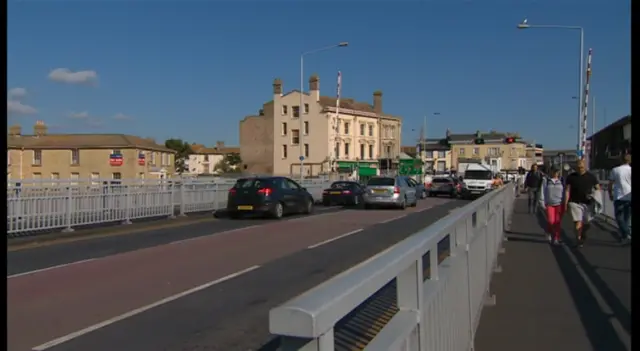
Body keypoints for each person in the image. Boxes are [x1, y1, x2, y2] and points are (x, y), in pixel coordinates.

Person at [564, 159, 600, 247]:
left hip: (587, 203)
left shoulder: (591, 177)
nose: (580, 169)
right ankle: (578, 239)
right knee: (577, 222)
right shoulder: (571, 177)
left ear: (585, 167)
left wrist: (594, 196)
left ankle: (583, 232)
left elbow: (598, 188)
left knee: (587, 223)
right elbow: (567, 190)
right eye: (579, 167)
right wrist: (565, 203)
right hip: (574, 202)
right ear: (576, 167)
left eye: (582, 167)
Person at [609, 154, 632, 243]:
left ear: (621, 160)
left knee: (618, 217)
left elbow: (610, 183)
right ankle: (625, 235)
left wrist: (610, 193)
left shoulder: (615, 170)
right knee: (627, 217)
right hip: (629, 197)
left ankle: (626, 233)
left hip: (618, 196)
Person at [539, 168, 564, 245]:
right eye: (554, 171)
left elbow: (566, 191)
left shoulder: (562, 180)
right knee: (551, 221)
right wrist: (542, 202)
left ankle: (556, 238)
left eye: (557, 172)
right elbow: (542, 191)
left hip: (559, 204)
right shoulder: (546, 180)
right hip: (549, 204)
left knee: (557, 221)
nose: (555, 173)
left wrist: (565, 202)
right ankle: (549, 232)